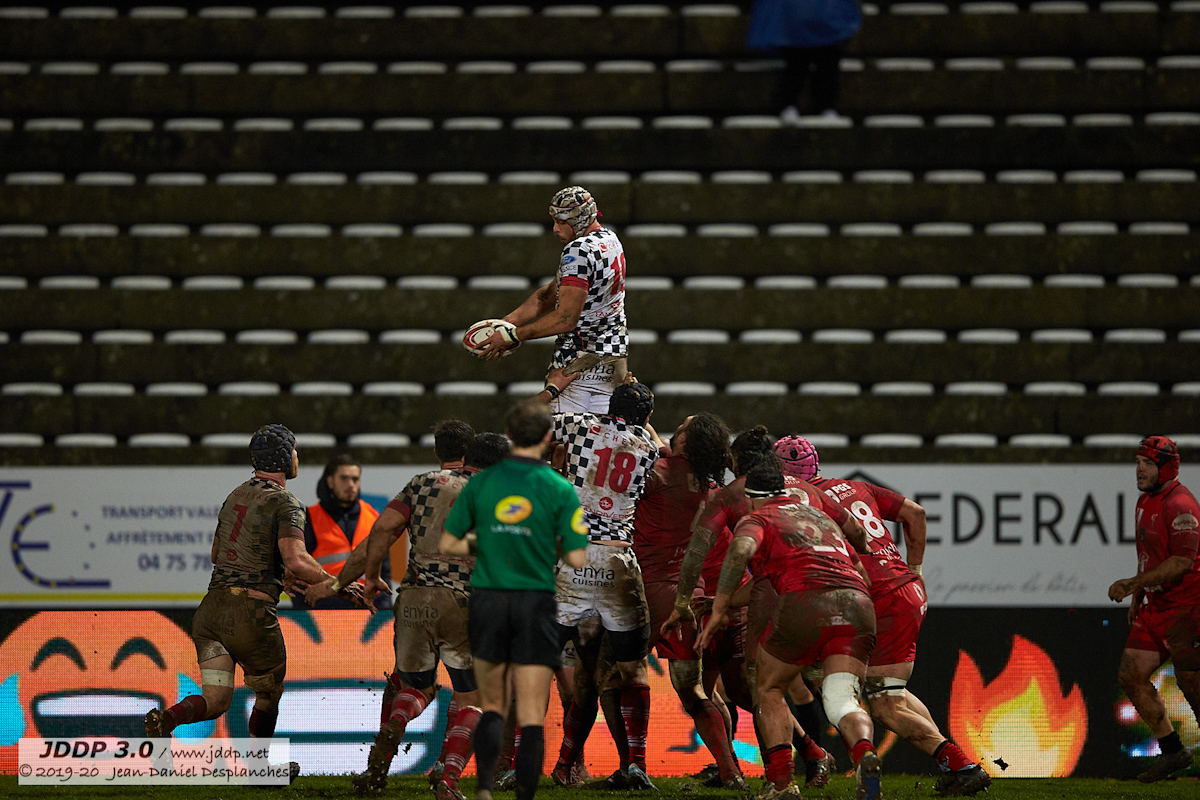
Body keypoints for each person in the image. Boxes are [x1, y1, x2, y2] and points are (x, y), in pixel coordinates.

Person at [776, 435, 991, 796]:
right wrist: (916, 569)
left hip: (880, 599)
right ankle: (953, 762)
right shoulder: (855, 487)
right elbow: (915, 513)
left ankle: (961, 765)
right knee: (892, 694)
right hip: (905, 590)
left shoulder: (803, 502)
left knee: (884, 705)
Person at [144, 424, 354, 782]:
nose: (297, 457)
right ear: (285, 458)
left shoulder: (235, 495)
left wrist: (272, 571)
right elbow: (297, 560)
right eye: (295, 451)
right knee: (268, 693)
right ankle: (259, 770)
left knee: (216, 699)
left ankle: (166, 719)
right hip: (250, 615)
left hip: (211, 612)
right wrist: (339, 584)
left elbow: (216, 554)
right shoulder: (286, 502)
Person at [307, 425, 506, 799]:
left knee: (415, 686)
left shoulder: (421, 484)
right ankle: (447, 778)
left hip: (414, 599)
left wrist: (365, 578)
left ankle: (393, 730)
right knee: (474, 697)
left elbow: (382, 531)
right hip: (465, 600)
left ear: (441, 453)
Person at [662, 426, 846, 788]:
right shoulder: (803, 490)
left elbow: (704, 550)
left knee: (762, 690)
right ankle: (792, 761)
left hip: (754, 596)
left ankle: (783, 773)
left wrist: (693, 601)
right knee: (750, 690)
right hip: (812, 593)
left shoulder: (729, 495)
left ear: (733, 459)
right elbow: (852, 529)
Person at [697, 459, 881, 800]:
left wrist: (720, 606)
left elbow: (741, 550)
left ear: (751, 497)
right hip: (857, 602)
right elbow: (863, 572)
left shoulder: (759, 518)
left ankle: (782, 783)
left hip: (804, 601)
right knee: (843, 698)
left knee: (769, 688)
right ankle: (865, 753)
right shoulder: (820, 517)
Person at [439, 399, 589, 800]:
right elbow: (576, 557)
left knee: (492, 704)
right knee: (532, 714)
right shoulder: (560, 488)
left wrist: (490, 543)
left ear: (508, 435)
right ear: (547, 437)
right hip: (534, 603)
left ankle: (484, 789)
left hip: (488, 600)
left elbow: (450, 543)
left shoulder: (482, 483)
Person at [548, 382, 662, 789]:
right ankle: (637, 765)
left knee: (540, 663)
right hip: (618, 561)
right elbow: (656, 441)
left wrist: (557, 388)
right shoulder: (648, 448)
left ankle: (540, 762)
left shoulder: (579, 425)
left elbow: (534, 423)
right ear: (646, 417)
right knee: (632, 670)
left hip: (574, 562)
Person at [633, 412, 748, 790]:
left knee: (608, 674)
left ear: (684, 441)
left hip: (645, 592)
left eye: (681, 427)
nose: (675, 430)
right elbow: (661, 447)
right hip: (689, 596)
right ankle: (731, 771)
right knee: (696, 692)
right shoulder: (711, 486)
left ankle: (627, 766)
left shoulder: (656, 472)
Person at [471, 186, 629, 414]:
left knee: (561, 433)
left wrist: (513, 335)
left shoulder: (578, 250)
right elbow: (549, 295)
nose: (555, 229)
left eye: (561, 222)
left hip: (578, 361)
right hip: (613, 356)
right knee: (606, 432)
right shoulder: (610, 239)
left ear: (579, 220)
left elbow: (566, 319)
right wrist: (507, 323)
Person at [1109, 436, 1200, 783]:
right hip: (1157, 606)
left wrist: (1133, 583)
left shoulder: (1181, 505)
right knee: (1131, 675)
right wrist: (1139, 595)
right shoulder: (1146, 500)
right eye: (1138, 462)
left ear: (1166, 468)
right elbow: (1150, 554)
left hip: (1188, 609)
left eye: (1147, 463)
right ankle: (1174, 751)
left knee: (1192, 686)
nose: (1139, 470)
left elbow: (1181, 562)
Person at [293, 453, 390, 610]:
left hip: (369, 607)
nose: (351, 485)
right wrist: (304, 613)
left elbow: (384, 569)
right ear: (330, 481)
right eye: (344, 478)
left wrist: (384, 610)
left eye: (355, 479)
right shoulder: (309, 518)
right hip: (325, 610)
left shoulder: (373, 516)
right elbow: (298, 570)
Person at [745, 0, 861, 123]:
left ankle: (826, 106)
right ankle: (789, 105)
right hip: (796, 22)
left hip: (828, 22)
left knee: (827, 64)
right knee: (797, 63)